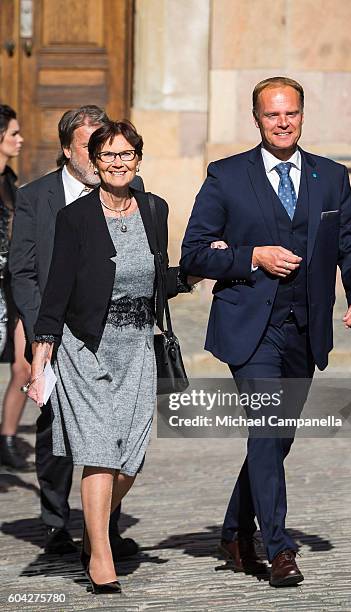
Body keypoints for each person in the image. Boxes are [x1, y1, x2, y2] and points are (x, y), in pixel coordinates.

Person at [181, 76, 351, 587]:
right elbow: (194, 252)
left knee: (276, 439)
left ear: (303, 115)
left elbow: (350, 244)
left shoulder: (331, 176)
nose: (282, 122)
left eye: (290, 114)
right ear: (257, 119)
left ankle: (233, 533)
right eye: (272, 115)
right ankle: (280, 549)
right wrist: (253, 257)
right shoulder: (226, 176)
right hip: (250, 328)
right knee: (267, 430)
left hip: (304, 329)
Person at [28, 119, 194, 594]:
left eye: (126, 155)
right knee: (100, 454)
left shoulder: (155, 209)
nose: (118, 163)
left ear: (137, 160)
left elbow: (159, 279)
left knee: (130, 459)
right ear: (95, 163)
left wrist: (201, 272)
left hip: (138, 346)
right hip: (88, 348)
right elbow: (57, 286)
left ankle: (93, 529)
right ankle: (99, 553)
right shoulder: (75, 217)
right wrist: (43, 351)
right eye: (108, 155)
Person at [9, 106, 143, 556]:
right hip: (56, 333)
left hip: (113, 335)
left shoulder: (133, 192)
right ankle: (54, 522)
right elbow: (24, 272)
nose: (101, 156)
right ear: (68, 150)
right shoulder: (37, 197)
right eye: (91, 147)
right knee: (53, 430)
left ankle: (104, 528)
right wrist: (36, 330)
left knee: (116, 434)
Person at [0, 104, 31, 470]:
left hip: (13, 283)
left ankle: (7, 438)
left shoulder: (10, 180)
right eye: (13, 134)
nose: (21, 139)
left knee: (24, 364)